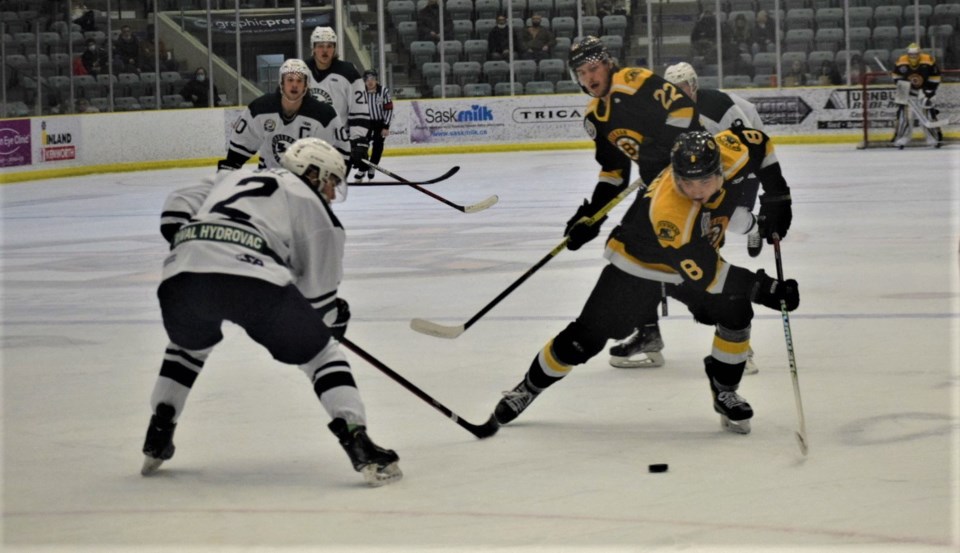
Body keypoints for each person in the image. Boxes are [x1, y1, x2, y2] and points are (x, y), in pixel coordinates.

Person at [488, 128, 797, 436]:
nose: (697, 190)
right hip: (639, 265)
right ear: (676, 177)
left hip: (691, 259)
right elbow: (707, 274)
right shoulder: (670, 212)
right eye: (687, 182)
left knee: (735, 311)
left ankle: (725, 390)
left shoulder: (731, 150)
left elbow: (758, 142)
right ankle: (527, 389)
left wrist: (778, 195)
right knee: (583, 341)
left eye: (704, 180)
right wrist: (763, 288)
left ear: (720, 169)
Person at [143, 137, 402, 487]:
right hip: (253, 281)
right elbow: (318, 301)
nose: (330, 193)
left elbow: (178, 203)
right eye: (330, 181)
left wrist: (200, 244)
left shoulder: (233, 177)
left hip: (180, 275)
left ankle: (159, 430)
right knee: (321, 353)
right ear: (312, 173)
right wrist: (329, 319)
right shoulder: (319, 213)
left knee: (187, 347)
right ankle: (359, 442)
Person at [542, 37, 704, 372]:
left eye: (593, 68)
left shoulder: (635, 81)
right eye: (581, 73)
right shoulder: (596, 116)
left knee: (672, 258)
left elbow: (684, 110)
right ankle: (650, 330)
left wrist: (660, 149)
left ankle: (729, 319)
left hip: (692, 182)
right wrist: (592, 215)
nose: (589, 77)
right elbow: (614, 172)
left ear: (608, 64)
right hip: (658, 189)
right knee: (627, 253)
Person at [218, 58, 349, 173]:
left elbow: (341, 152)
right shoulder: (260, 108)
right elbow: (241, 146)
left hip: (305, 183)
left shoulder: (324, 115)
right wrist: (230, 167)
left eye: (299, 80)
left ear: (306, 85)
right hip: (269, 179)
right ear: (282, 83)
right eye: (290, 80)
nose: (294, 85)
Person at [304, 26, 370, 176]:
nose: (325, 51)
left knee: (328, 193)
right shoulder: (302, 71)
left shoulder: (349, 72)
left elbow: (359, 109)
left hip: (339, 143)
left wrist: (358, 140)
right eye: (320, 46)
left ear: (335, 48)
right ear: (313, 48)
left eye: (329, 46)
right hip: (307, 144)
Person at [891, 43, 942, 149]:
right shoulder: (901, 60)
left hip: (924, 92)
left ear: (919, 53)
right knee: (904, 117)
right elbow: (896, 75)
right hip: (907, 92)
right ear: (907, 54)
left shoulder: (928, 59)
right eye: (911, 55)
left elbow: (935, 76)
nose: (913, 57)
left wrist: (929, 92)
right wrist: (903, 87)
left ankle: (933, 139)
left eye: (915, 54)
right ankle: (902, 139)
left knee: (927, 116)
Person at [354, 69, 393, 182]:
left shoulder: (383, 91)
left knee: (378, 146)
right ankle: (362, 169)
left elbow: (389, 109)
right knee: (361, 147)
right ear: (364, 81)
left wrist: (386, 126)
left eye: (372, 79)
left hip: (379, 123)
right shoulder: (360, 92)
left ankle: (372, 166)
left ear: (376, 80)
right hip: (365, 123)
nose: (370, 82)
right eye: (367, 79)